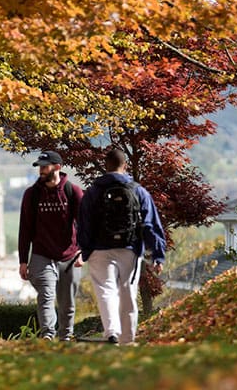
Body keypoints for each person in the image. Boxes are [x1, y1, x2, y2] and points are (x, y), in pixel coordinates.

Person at [76, 148, 166, 345]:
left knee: (105, 290)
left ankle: (111, 332)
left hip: (99, 249)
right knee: (128, 290)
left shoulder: (93, 192)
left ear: (105, 166)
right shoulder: (138, 191)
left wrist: (84, 250)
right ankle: (128, 338)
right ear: (124, 166)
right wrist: (158, 255)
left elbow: (83, 223)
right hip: (130, 248)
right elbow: (151, 224)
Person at [18, 150, 84, 341]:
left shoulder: (73, 192)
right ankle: (48, 335)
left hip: (69, 255)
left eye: (44, 167)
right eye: (40, 167)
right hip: (41, 254)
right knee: (45, 296)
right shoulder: (31, 195)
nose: (41, 171)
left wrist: (82, 251)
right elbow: (25, 228)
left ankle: (66, 337)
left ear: (57, 167)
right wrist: (23, 260)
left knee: (67, 302)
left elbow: (84, 224)